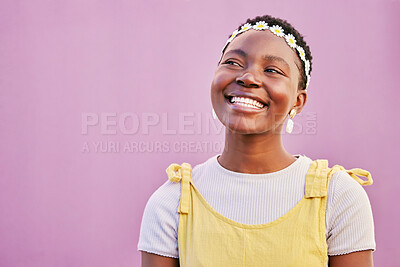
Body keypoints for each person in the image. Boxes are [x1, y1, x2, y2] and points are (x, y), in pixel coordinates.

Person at [137, 14, 376, 267]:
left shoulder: (338, 196)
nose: (248, 77)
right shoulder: (172, 202)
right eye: (233, 62)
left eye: (272, 70)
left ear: (298, 101)